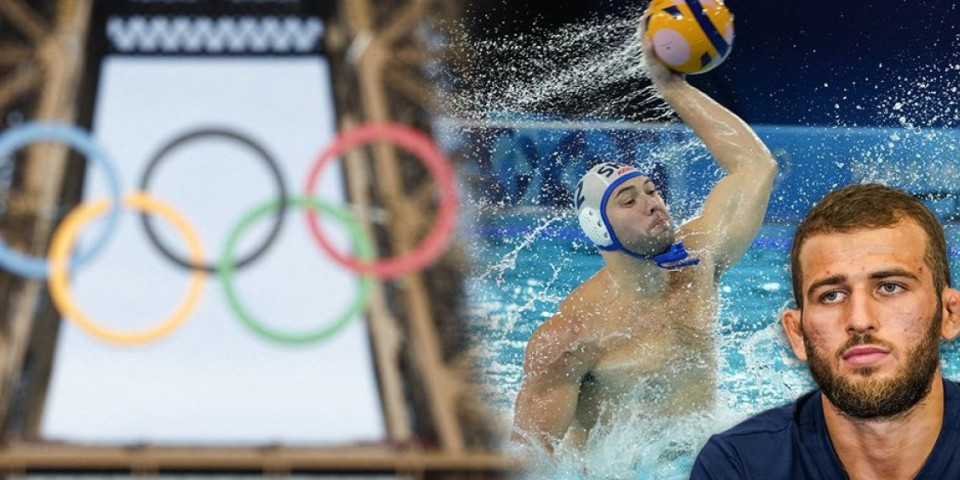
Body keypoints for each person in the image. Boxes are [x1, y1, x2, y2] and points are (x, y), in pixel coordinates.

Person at [510, 32, 778, 453]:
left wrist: (673, 87)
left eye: (652, 190)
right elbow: (529, 459)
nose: (652, 204)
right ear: (599, 229)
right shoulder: (570, 337)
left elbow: (755, 166)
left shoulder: (698, 261)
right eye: (628, 200)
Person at [691, 183, 960, 479]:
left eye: (890, 287)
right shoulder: (740, 467)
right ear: (797, 334)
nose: (859, 320)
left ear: (949, 313)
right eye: (831, 295)